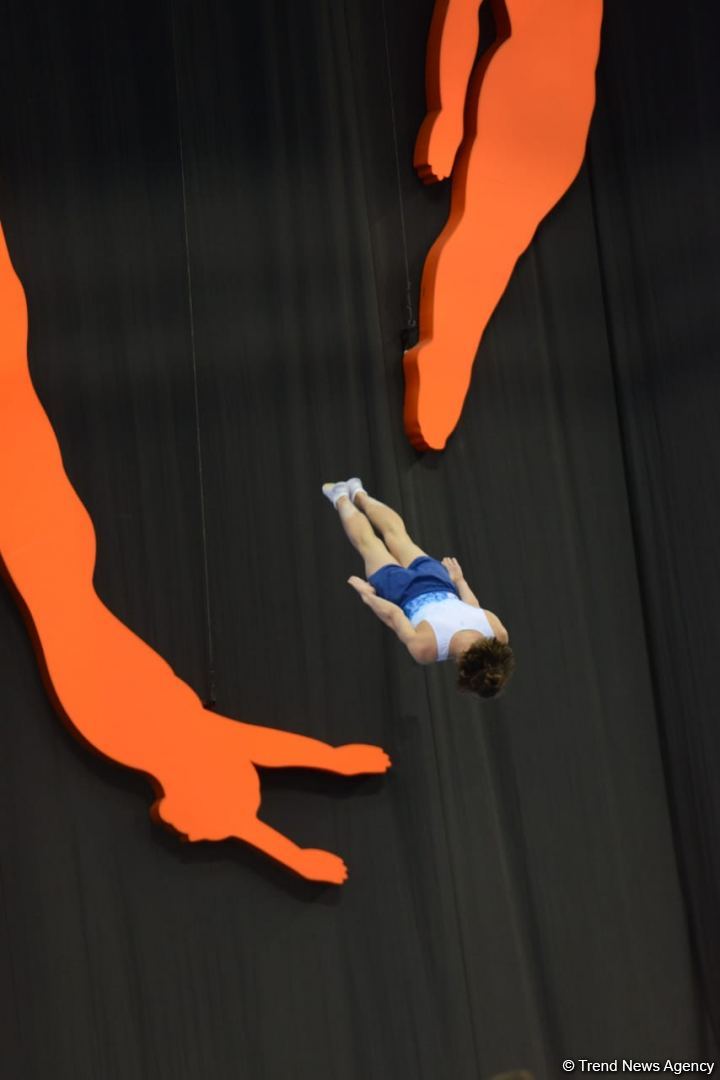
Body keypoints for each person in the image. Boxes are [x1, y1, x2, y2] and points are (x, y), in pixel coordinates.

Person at [322, 479, 515, 699]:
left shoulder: (498, 634)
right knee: (368, 543)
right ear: (462, 668)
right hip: (400, 591)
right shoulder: (427, 649)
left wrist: (460, 581)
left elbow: (473, 608)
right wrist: (368, 597)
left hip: (438, 582)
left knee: (397, 534)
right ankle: (341, 497)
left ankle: (358, 493)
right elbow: (394, 615)